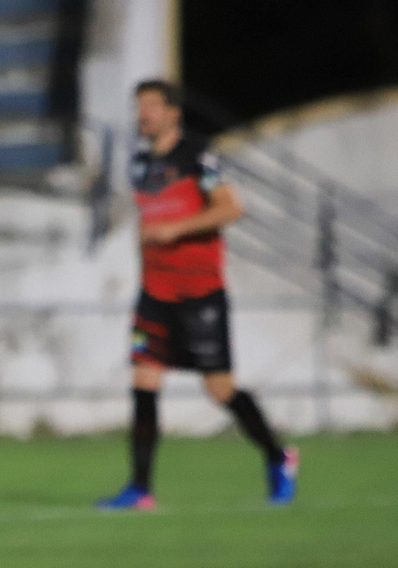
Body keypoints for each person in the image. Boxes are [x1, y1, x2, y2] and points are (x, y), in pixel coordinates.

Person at [99, 80, 297, 510]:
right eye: (139, 108)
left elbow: (231, 208)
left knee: (219, 388)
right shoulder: (137, 164)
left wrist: (176, 229)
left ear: (173, 112)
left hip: (199, 292)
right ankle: (140, 489)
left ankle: (279, 457)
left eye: (151, 106)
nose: (143, 115)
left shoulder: (197, 155)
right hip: (155, 294)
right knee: (144, 380)